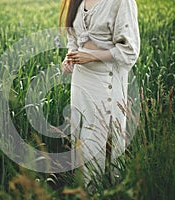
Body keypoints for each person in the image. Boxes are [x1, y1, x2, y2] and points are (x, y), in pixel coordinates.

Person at [59, 0, 140, 188]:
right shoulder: (78, 1)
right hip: (80, 80)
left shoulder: (122, 2)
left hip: (106, 79)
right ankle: (87, 188)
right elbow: (74, 39)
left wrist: (93, 56)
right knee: (83, 135)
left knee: (105, 137)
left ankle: (111, 189)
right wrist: (70, 57)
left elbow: (129, 50)